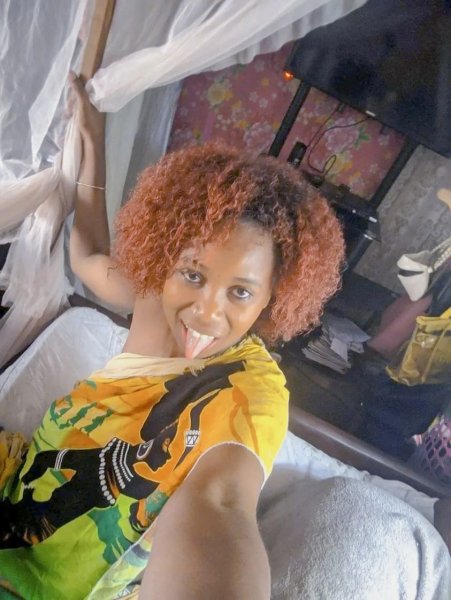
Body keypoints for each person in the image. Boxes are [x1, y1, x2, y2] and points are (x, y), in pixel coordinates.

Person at [0, 73, 344, 599]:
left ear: (274, 297)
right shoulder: (151, 300)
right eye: (194, 275)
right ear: (168, 259)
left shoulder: (249, 395)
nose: (206, 312)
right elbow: (88, 256)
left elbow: (221, 502)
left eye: (240, 292)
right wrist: (93, 139)